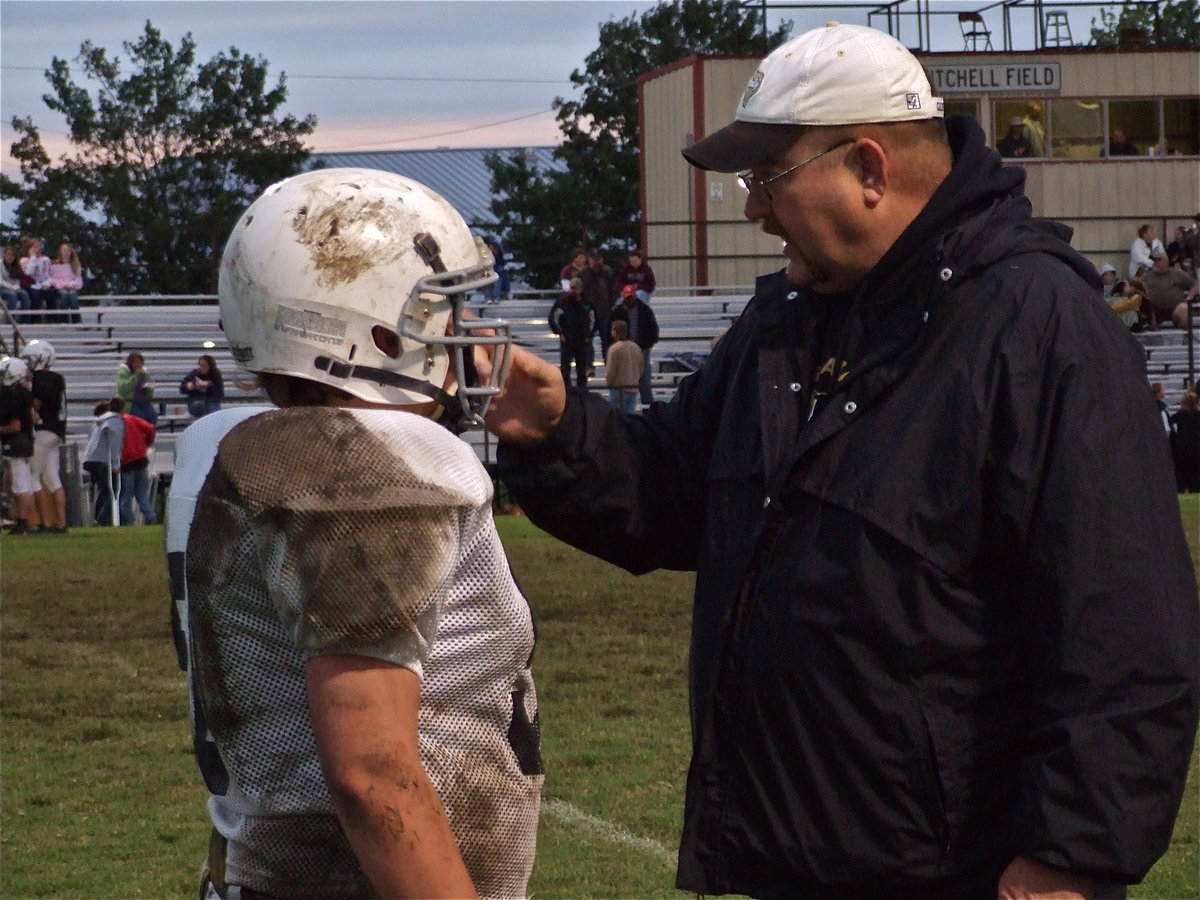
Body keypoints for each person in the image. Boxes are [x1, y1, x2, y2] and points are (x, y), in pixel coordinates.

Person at [481, 22, 1199, 900]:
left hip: (962, 877)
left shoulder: (1041, 328)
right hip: (797, 861)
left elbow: (1123, 628)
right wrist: (557, 431)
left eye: (768, 178)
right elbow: (671, 491)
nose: (752, 210)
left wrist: (1070, 857)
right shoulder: (786, 321)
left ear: (869, 167)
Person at [168, 168, 541, 900]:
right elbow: (372, 775)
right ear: (373, 330)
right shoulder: (362, 460)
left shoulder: (231, 442)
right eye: (440, 309)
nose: (462, 331)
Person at [20, 340, 69, 533]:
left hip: (43, 431)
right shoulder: (57, 378)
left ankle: (45, 523)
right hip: (57, 431)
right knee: (52, 478)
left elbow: (36, 407)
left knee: (32, 476)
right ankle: (62, 523)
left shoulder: (41, 379)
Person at [0, 356, 37, 534]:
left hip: (17, 443)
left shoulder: (13, 396)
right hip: (23, 441)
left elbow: (15, 426)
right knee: (15, 484)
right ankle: (24, 521)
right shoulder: (24, 393)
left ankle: (23, 523)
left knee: (20, 484)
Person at [609, 284, 660, 407]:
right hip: (624, 349)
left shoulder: (644, 310)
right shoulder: (618, 311)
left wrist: (649, 343)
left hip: (641, 348)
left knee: (644, 377)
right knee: (627, 378)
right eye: (628, 297)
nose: (630, 300)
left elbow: (653, 328)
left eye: (631, 297)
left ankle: (647, 405)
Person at [81, 398, 125, 527]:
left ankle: (98, 518)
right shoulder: (115, 421)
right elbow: (114, 444)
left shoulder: (99, 420)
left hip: (90, 458)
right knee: (112, 491)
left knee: (104, 490)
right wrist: (115, 464)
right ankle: (102, 520)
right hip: (102, 459)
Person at [548, 276, 595, 390]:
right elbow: (552, 318)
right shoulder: (562, 303)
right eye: (572, 288)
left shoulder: (587, 304)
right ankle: (566, 391)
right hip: (567, 340)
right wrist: (560, 333)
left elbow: (594, 320)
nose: (573, 291)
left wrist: (589, 335)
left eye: (576, 288)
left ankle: (582, 392)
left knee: (582, 370)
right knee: (565, 369)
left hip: (582, 341)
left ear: (581, 289)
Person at [1141, 250, 1198, 328]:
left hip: (1175, 308)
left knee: (1184, 308)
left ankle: (1185, 333)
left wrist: (1188, 298)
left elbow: (1195, 285)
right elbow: (1137, 286)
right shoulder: (1147, 277)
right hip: (1155, 310)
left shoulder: (1177, 274)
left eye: (1159, 260)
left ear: (1166, 261)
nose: (1156, 263)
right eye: (1155, 261)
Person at [118, 408, 156, 525]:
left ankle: (128, 522)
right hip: (140, 459)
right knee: (141, 493)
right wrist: (146, 443)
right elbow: (150, 428)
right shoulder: (131, 418)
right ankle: (150, 516)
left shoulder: (116, 422)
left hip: (126, 462)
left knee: (126, 495)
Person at [580, 248, 619, 356]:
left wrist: (609, 305)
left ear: (601, 259)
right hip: (588, 314)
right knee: (587, 342)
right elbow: (579, 293)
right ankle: (588, 365)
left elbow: (615, 291)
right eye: (593, 259)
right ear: (589, 259)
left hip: (604, 313)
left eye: (597, 259)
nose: (595, 261)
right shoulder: (583, 274)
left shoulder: (608, 272)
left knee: (607, 342)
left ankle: (608, 363)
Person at [604, 319, 643, 413]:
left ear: (615, 332)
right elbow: (641, 368)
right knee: (630, 417)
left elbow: (611, 371)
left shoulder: (614, 349)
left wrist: (609, 383)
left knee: (615, 417)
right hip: (633, 387)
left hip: (618, 389)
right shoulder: (636, 347)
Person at [1170, 391, 1200, 493]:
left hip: (1180, 452)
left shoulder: (1177, 416)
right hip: (1196, 451)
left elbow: (1172, 432)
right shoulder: (1198, 416)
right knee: (1195, 478)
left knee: (1181, 478)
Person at [117, 351, 158, 425]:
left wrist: (147, 379)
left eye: (140, 363)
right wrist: (136, 375)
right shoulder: (123, 372)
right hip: (130, 402)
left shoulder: (144, 373)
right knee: (140, 417)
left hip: (144, 401)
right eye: (135, 363)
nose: (138, 365)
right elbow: (124, 388)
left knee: (153, 417)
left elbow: (150, 386)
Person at [19, 237, 54, 323]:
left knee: (50, 293)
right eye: (34, 247)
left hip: (43, 283)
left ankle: (51, 318)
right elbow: (28, 272)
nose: (37, 249)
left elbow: (49, 275)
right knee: (35, 295)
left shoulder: (45, 259)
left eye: (38, 247)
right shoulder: (24, 260)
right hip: (31, 285)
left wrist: (47, 284)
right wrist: (33, 257)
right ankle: (35, 319)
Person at [179, 354, 224, 418]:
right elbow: (182, 388)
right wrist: (189, 386)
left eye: (204, 366)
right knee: (199, 405)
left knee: (214, 410)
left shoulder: (216, 376)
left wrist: (209, 387)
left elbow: (220, 394)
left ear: (210, 366)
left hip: (211, 402)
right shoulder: (194, 374)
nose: (201, 368)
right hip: (196, 402)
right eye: (200, 365)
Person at [49, 242, 84, 324]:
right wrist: (61, 285)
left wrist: (71, 284)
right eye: (64, 250)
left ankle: (76, 320)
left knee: (72, 294)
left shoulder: (75, 265)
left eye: (68, 250)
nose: (66, 252)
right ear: (60, 252)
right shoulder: (55, 265)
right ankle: (63, 320)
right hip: (60, 287)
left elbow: (78, 279)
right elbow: (52, 278)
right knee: (64, 295)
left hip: (72, 286)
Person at [1, 246, 30, 313]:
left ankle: (25, 317)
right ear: (4, 254)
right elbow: (1, 281)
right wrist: (14, 288)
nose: (10, 257)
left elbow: (17, 281)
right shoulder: (0, 264)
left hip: (13, 288)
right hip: (2, 288)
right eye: (8, 254)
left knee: (25, 294)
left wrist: (17, 287)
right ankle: (10, 318)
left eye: (13, 255)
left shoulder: (16, 266)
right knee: (12, 295)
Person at [484, 238, 510, 304]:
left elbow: (501, 273)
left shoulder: (500, 261)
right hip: (488, 276)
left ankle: (496, 298)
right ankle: (488, 298)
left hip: (497, 277)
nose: (492, 251)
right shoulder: (486, 260)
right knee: (487, 282)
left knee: (497, 282)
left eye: (494, 249)